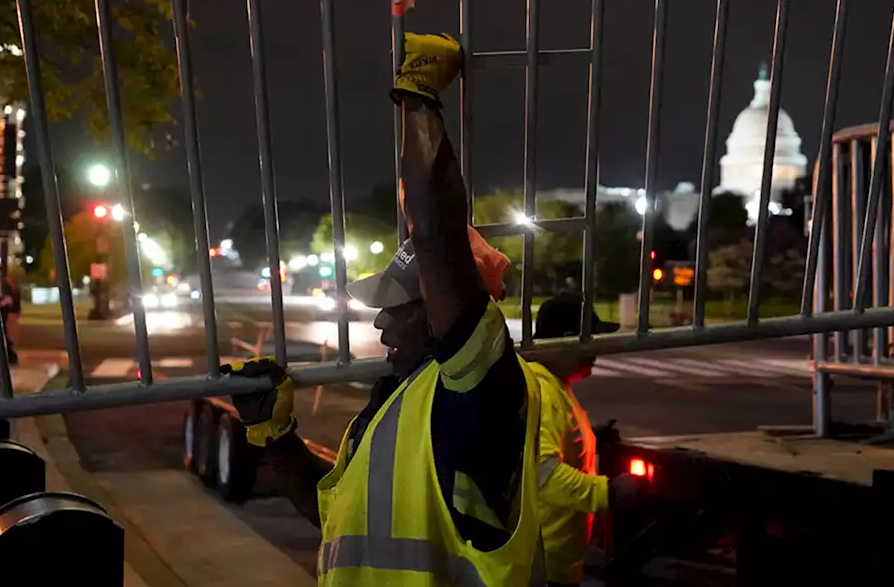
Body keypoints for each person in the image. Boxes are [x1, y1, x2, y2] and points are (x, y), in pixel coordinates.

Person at [225, 32, 552, 585]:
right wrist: (275, 437)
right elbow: (332, 517)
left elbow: (435, 231)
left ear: (442, 309)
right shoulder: (389, 408)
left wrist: (419, 97)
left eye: (397, 305)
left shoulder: (477, 389)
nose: (380, 321)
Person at [528, 293, 638, 587]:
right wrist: (608, 493)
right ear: (567, 340)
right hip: (543, 570)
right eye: (591, 341)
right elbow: (543, 475)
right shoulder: (540, 390)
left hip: (554, 564)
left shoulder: (553, 385)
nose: (596, 352)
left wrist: (589, 440)